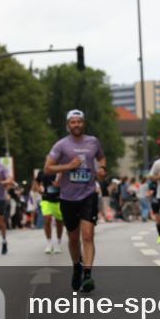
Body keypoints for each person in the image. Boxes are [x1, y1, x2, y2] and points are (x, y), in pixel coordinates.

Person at [44, 109, 107, 292]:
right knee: (73, 238)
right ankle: (76, 266)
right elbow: (47, 169)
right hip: (68, 197)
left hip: (88, 194)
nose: (76, 125)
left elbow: (101, 157)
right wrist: (69, 166)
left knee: (87, 235)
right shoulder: (61, 145)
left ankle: (87, 276)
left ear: (83, 123)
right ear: (68, 125)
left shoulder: (93, 142)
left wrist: (102, 168)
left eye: (79, 121)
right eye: (73, 122)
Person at [37, 170, 64, 253]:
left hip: (59, 200)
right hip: (46, 199)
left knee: (59, 222)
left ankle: (58, 243)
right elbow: (37, 182)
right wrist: (39, 188)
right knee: (47, 219)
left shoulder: (61, 171)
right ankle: (49, 243)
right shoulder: (42, 172)